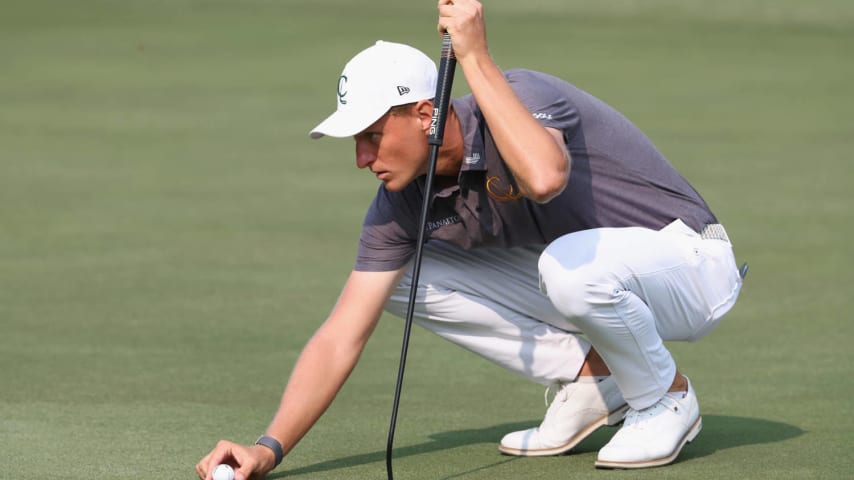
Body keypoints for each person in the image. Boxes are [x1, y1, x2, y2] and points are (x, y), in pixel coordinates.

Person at [196, 0, 744, 478]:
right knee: (400, 279)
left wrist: (476, 56)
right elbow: (342, 333)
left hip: (690, 263)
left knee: (567, 266)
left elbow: (545, 178)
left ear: (425, 115)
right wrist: (268, 448)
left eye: (371, 136)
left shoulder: (522, 93)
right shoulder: (400, 202)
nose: (362, 159)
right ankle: (596, 379)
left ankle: (666, 397)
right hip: (594, 281)